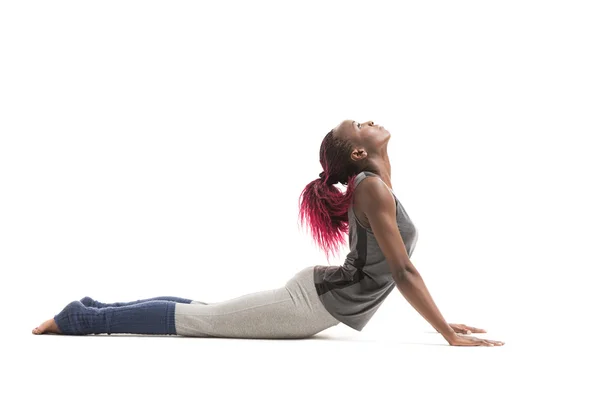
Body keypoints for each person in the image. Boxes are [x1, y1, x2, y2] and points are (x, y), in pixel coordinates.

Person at [32, 119, 504, 347]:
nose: (369, 122)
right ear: (358, 153)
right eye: (359, 125)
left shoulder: (375, 186)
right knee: (203, 321)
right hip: (309, 305)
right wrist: (446, 333)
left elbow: (393, 267)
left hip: (314, 297)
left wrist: (443, 321)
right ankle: (83, 320)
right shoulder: (371, 189)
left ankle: (93, 308)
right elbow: (400, 269)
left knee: (206, 312)